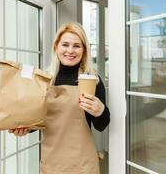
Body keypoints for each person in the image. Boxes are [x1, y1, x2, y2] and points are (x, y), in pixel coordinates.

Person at [9, 22, 110, 174]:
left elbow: (101, 126)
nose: (70, 50)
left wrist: (101, 111)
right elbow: (38, 119)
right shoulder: (43, 80)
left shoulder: (91, 79)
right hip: (51, 163)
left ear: (83, 50)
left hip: (83, 163)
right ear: (56, 47)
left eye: (77, 46)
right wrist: (25, 129)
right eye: (65, 44)